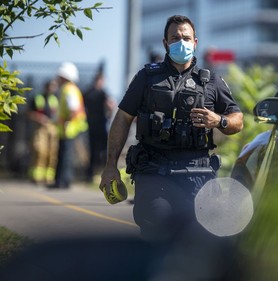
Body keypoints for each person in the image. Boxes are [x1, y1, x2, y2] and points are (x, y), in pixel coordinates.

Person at [100, 15, 243, 241]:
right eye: (175, 38)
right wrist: (110, 166)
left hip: (197, 173)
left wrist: (219, 121)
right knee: (157, 226)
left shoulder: (212, 81)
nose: (181, 42)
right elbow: (123, 118)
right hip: (154, 170)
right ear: (165, 43)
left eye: (186, 38)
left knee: (197, 239)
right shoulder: (147, 77)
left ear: (196, 42)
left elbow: (238, 120)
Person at [49, 62, 88, 189]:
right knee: (63, 154)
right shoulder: (68, 88)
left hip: (70, 128)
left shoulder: (69, 89)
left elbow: (73, 109)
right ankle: (61, 180)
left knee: (65, 155)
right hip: (68, 127)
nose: (58, 78)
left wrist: (67, 122)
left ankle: (63, 181)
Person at [83, 72, 116, 183]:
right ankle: (99, 173)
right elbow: (111, 105)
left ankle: (90, 175)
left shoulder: (87, 92)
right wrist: (110, 115)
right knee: (102, 150)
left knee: (92, 151)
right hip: (101, 125)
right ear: (101, 80)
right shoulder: (103, 93)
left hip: (91, 124)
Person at [28, 79, 59, 185]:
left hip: (52, 127)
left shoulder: (55, 99)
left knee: (52, 153)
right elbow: (30, 113)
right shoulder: (37, 98)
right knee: (39, 151)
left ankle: (49, 177)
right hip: (40, 127)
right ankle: (36, 176)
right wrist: (40, 118)